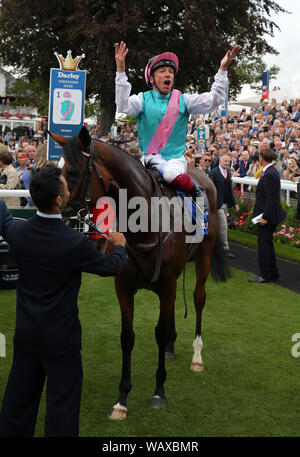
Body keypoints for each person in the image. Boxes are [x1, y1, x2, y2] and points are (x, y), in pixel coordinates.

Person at [0, 165, 127, 437]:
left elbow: (5, 219)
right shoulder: (73, 242)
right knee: (62, 411)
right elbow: (110, 268)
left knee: (17, 407)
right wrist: (119, 246)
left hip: (26, 336)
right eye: (66, 187)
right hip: (61, 341)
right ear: (58, 199)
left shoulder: (18, 234)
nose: (69, 190)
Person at [115, 41, 241, 199]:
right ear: (152, 79)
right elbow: (122, 105)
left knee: (170, 175)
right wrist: (120, 70)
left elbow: (214, 100)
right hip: (147, 160)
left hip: (173, 161)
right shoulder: (142, 100)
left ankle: (197, 196)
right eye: (162, 71)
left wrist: (222, 69)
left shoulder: (184, 100)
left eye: (170, 72)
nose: (168, 74)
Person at [248, 149, 287, 283]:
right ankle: (272, 272)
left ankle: (265, 275)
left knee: (264, 245)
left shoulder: (269, 173)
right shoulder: (271, 171)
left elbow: (272, 198)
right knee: (267, 244)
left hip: (268, 215)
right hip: (269, 213)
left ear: (261, 158)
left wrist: (265, 217)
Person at [209, 153, 239, 258]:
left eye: (228, 161)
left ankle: (214, 247)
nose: (227, 163)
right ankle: (225, 249)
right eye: (225, 161)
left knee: (220, 226)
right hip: (217, 204)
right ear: (220, 161)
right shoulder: (213, 173)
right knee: (223, 226)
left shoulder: (228, 174)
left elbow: (230, 190)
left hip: (225, 204)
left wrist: (234, 203)